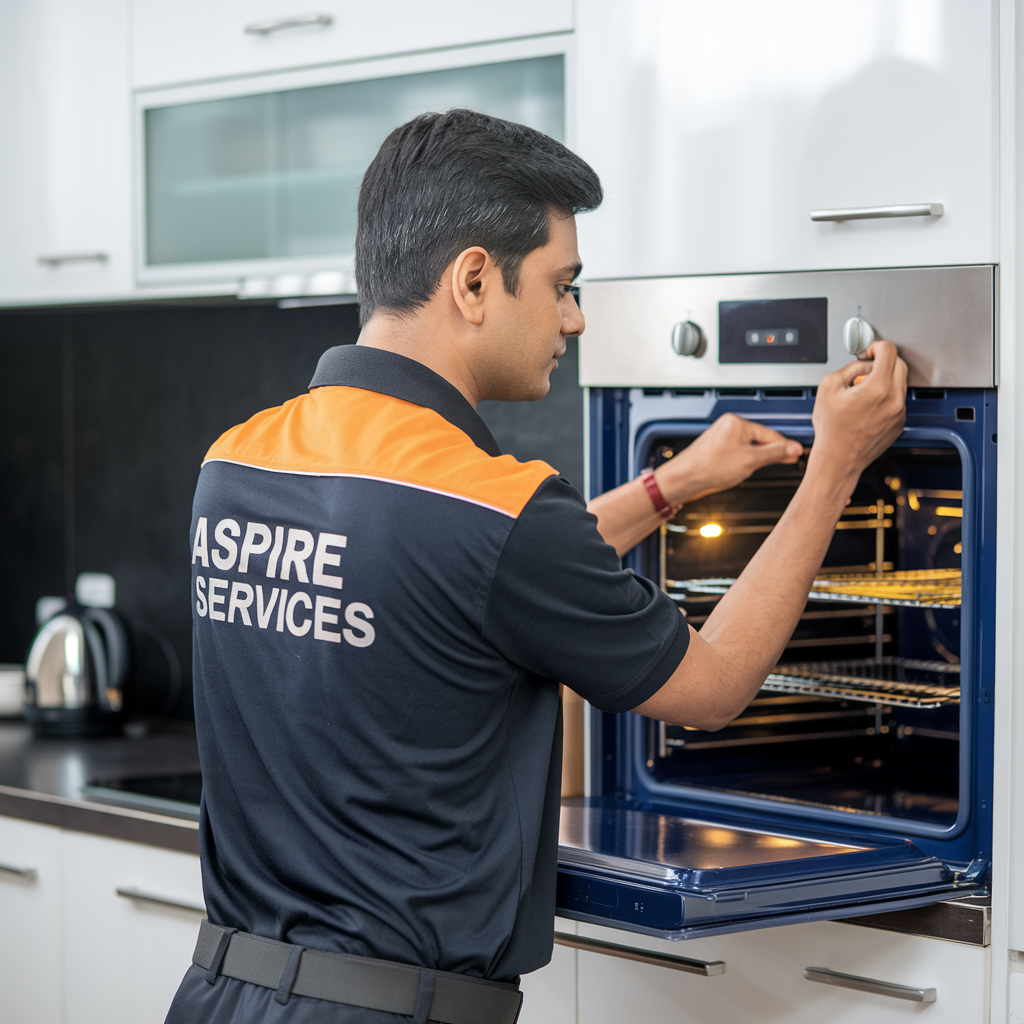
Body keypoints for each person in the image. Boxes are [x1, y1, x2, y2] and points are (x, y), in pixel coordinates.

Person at [166, 109, 907, 1024]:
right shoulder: (497, 505)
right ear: (474, 279)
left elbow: (449, 574)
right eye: (562, 284)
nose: (576, 316)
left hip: (217, 994)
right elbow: (712, 688)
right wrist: (836, 464)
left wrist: (671, 485)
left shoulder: (238, 460)